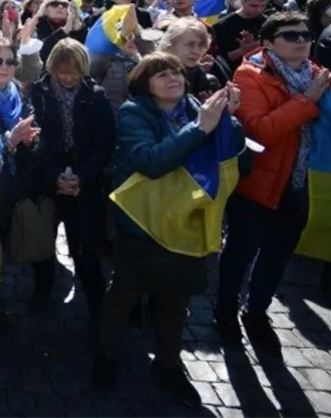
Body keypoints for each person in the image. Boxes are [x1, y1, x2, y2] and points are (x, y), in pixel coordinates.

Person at [94, 52, 244, 408]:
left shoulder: (197, 106)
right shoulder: (134, 112)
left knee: (175, 299)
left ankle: (168, 363)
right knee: (124, 293)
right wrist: (202, 128)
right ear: (145, 84)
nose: (172, 78)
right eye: (161, 75)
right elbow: (151, 161)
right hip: (142, 222)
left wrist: (229, 120)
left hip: (184, 220)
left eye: (176, 72)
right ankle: (107, 356)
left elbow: (234, 157)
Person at [216, 12, 331, 361]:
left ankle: (257, 309)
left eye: (305, 34)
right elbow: (261, 131)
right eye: (290, 35)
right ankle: (225, 310)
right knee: (241, 250)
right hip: (259, 179)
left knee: (278, 253)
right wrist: (308, 102)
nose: (302, 40)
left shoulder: (316, 74)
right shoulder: (250, 75)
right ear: (269, 43)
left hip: (298, 181)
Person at [28, 38, 114, 318]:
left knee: (85, 247)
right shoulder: (38, 93)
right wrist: (54, 177)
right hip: (48, 176)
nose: (67, 78)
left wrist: (83, 177)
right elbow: (34, 140)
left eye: (73, 72)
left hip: (83, 180)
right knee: (43, 241)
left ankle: (97, 304)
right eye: (61, 72)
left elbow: (104, 142)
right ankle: (43, 289)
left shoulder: (95, 95)